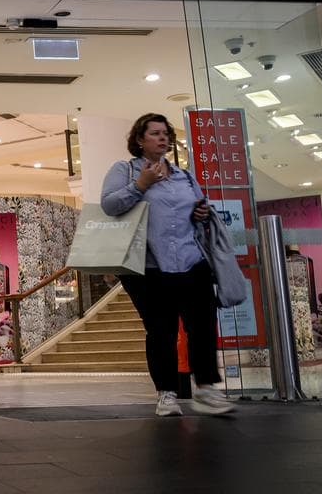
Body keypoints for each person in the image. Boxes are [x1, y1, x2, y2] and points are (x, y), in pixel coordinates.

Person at [100, 113, 235, 417]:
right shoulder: (125, 170)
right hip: (148, 265)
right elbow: (109, 205)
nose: (163, 138)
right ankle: (167, 393)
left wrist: (200, 213)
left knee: (201, 326)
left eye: (166, 134)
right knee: (160, 330)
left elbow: (197, 208)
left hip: (191, 260)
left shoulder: (184, 176)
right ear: (139, 139)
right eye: (155, 133)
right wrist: (141, 185)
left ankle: (207, 389)